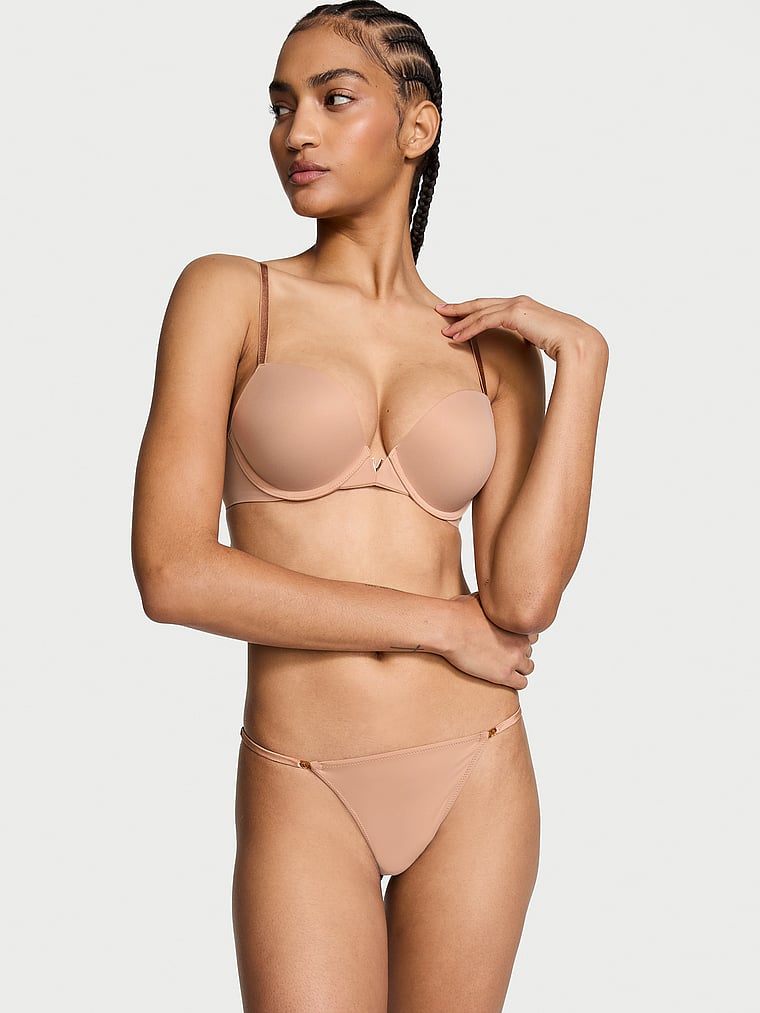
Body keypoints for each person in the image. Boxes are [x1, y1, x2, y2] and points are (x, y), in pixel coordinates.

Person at [131, 2, 609, 1009]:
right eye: (280, 106)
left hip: (478, 764)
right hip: (304, 771)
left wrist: (585, 358)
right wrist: (440, 623)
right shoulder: (232, 295)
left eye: (333, 98)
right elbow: (172, 572)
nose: (295, 132)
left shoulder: (492, 349)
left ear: (417, 125)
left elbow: (522, 601)